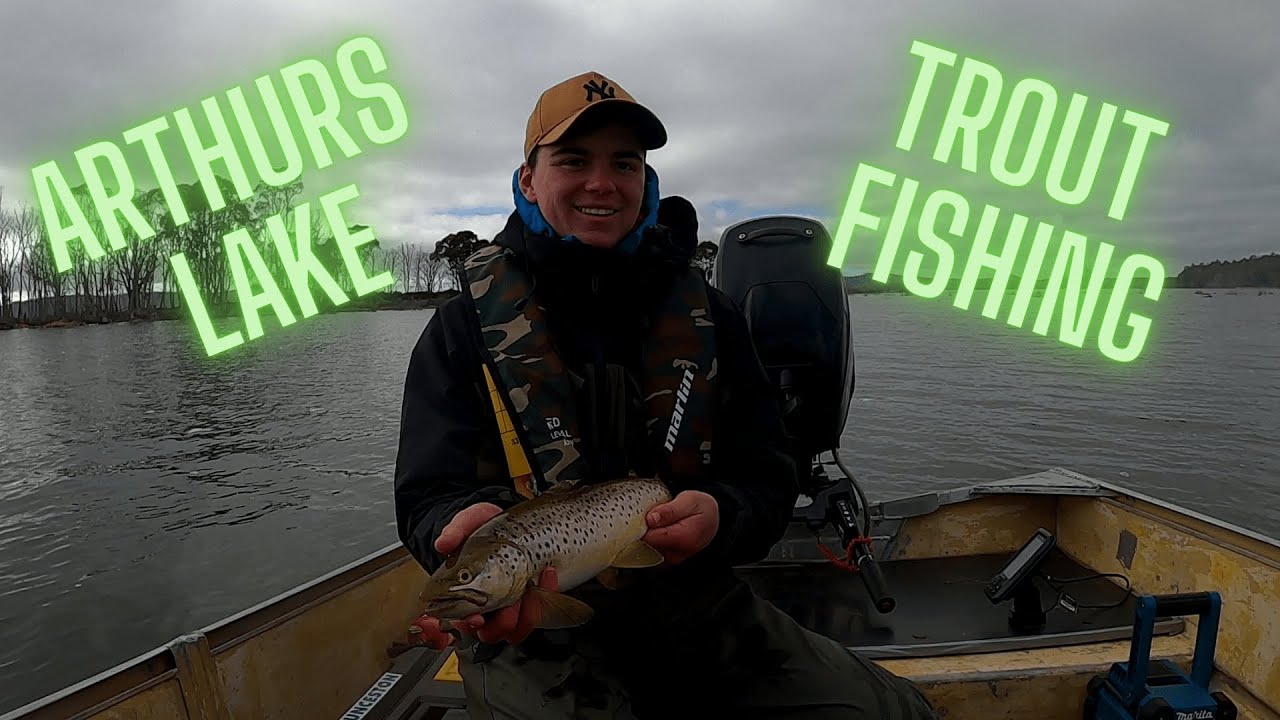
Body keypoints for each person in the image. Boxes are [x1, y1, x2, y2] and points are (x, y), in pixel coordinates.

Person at [393, 70, 938, 719]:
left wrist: (722, 515)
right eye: (573, 160)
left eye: (624, 163)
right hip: (531, 638)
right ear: (529, 180)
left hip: (702, 610)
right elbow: (429, 495)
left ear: (645, 181)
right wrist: (451, 527)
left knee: (896, 713)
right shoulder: (461, 331)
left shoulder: (714, 316)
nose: (602, 182)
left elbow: (768, 477)